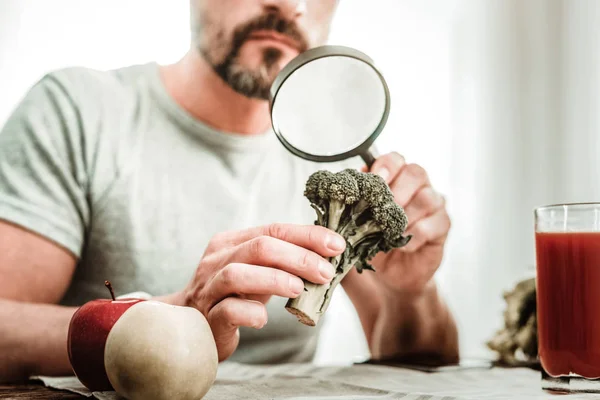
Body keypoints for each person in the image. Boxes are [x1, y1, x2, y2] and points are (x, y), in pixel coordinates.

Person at [0, 0, 458, 383]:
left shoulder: (333, 153)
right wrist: (167, 319)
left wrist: (411, 293)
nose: (289, 6)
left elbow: (418, 362)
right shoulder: (79, 109)